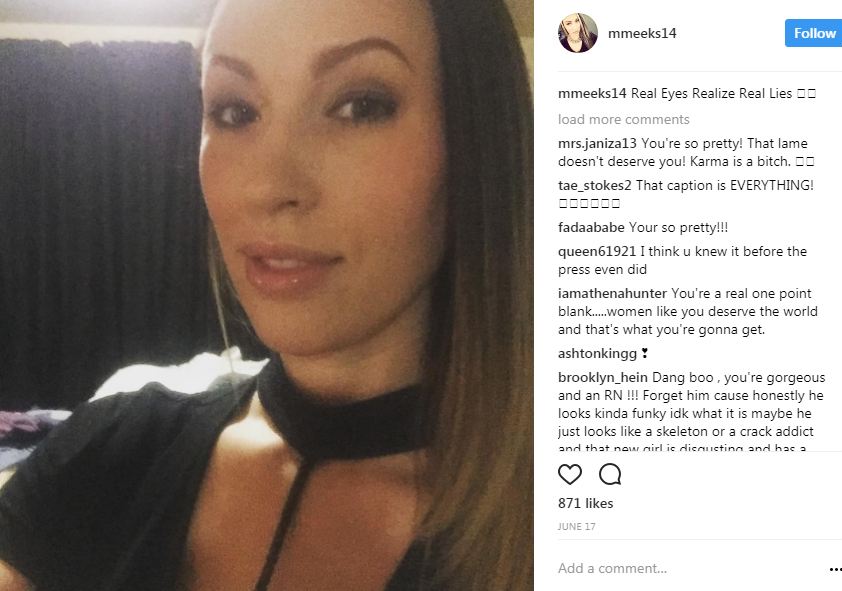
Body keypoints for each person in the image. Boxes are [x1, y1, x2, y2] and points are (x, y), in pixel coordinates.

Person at [0, 0, 532, 589]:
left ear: (476, 142)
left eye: (360, 105)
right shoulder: (113, 450)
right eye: (235, 112)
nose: (267, 186)